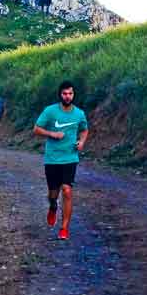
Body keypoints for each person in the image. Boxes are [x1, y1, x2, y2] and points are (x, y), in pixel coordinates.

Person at [33, 80, 89, 240]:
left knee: (67, 190)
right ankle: (53, 206)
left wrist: (81, 142)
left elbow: (84, 130)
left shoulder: (79, 113)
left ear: (74, 94)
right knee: (53, 194)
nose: (67, 96)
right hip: (52, 159)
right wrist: (52, 134)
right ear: (60, 94)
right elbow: (36, 129)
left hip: (70, 158)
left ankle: (64, 228)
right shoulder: (50, 111)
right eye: (65, 93)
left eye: (70, 93)